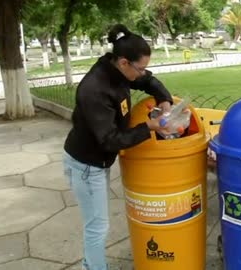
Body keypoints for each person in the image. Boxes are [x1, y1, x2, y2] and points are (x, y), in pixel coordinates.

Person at [63, 24, 173, 270]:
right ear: (124, 62)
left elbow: (147, 80)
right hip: (85, 165)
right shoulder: (95, 90)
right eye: (140, 67)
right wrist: (150, 127)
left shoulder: (117, 71)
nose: (143, 72)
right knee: (97, 226)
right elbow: (110, 139)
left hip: (98, 161)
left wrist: (163, 98)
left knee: (98, 224)